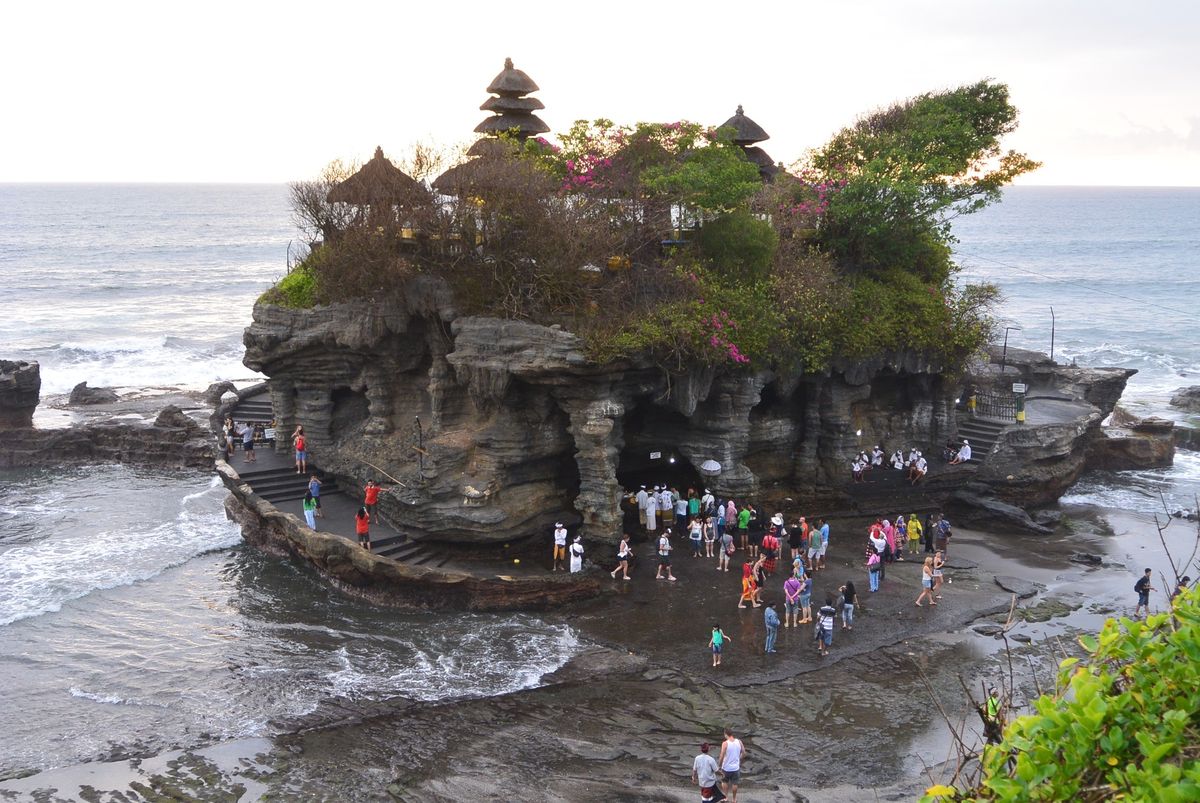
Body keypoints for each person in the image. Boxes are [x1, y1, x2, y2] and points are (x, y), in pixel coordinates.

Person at [718, 728, 745, 803]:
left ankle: (726, 797)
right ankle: (734, 799)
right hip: (736, 768)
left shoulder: (725, 743)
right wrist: (738, 759)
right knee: (735, 783)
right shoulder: (739, 741)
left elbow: (722, 755)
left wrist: (719, 766)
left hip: (726, 768)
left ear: (725, 734)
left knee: (724, 782)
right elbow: (744, 753)